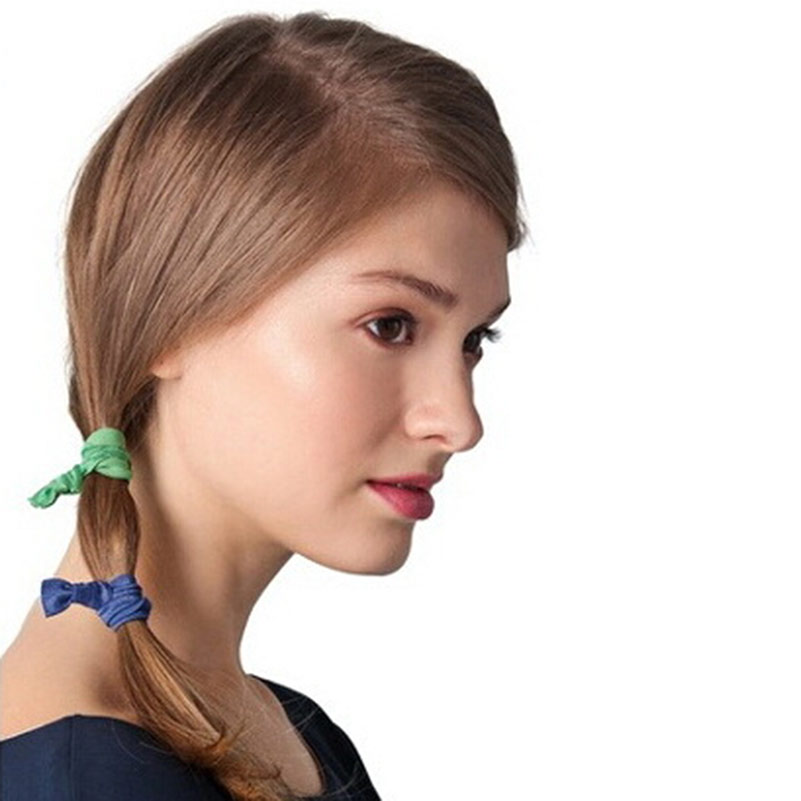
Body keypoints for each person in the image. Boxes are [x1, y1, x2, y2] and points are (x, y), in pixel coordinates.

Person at [0, 10, 527, 801]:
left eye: (473, 339)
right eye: (389, 325)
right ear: (171, 319)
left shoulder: (295, 732)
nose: (458, 422)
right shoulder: (81, 777)